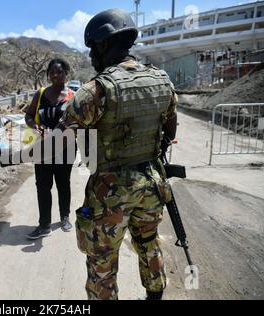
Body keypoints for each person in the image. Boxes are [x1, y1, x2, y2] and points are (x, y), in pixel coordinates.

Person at [56, 9, 178, 300]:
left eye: (92, 49)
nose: (91, 57)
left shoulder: (96, 90)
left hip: (110, 190)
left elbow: (63, 136)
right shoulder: (162, 80)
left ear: (103, 44)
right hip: (151, 182)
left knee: (102, 259)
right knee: (149, 243)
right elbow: (170, 131)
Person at [24, 58, 75, 239]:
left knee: (63, 184)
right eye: (52, 72)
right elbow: (29, 115)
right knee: (43, 186)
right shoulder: (41, 94)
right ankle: (44, 224)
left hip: (65, 148)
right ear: (48, 74)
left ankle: (65, 217)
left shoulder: (72, 97)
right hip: (42, 148)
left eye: (59, 71)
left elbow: (78, 122)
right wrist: (34, 126)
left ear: (65, 73)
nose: (55, 75)